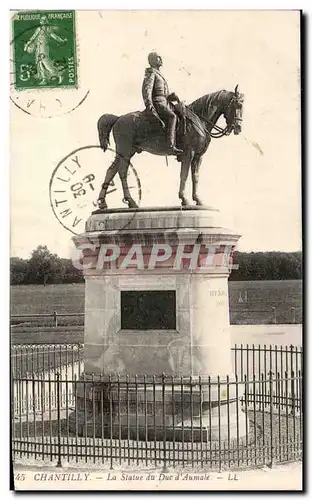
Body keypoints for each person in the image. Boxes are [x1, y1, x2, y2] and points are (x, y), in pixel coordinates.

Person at [142, 52, 183, 155]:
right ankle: (170, 146)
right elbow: (147, 90)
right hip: (158, 103)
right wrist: (149, 105)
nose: (161, 59)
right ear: (152, 61)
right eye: (158, 58)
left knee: (181, 114)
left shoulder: (158, 73)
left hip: (165, 101)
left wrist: (171, 96)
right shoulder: (151, 73)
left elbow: (162, 93)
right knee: (172, 117)